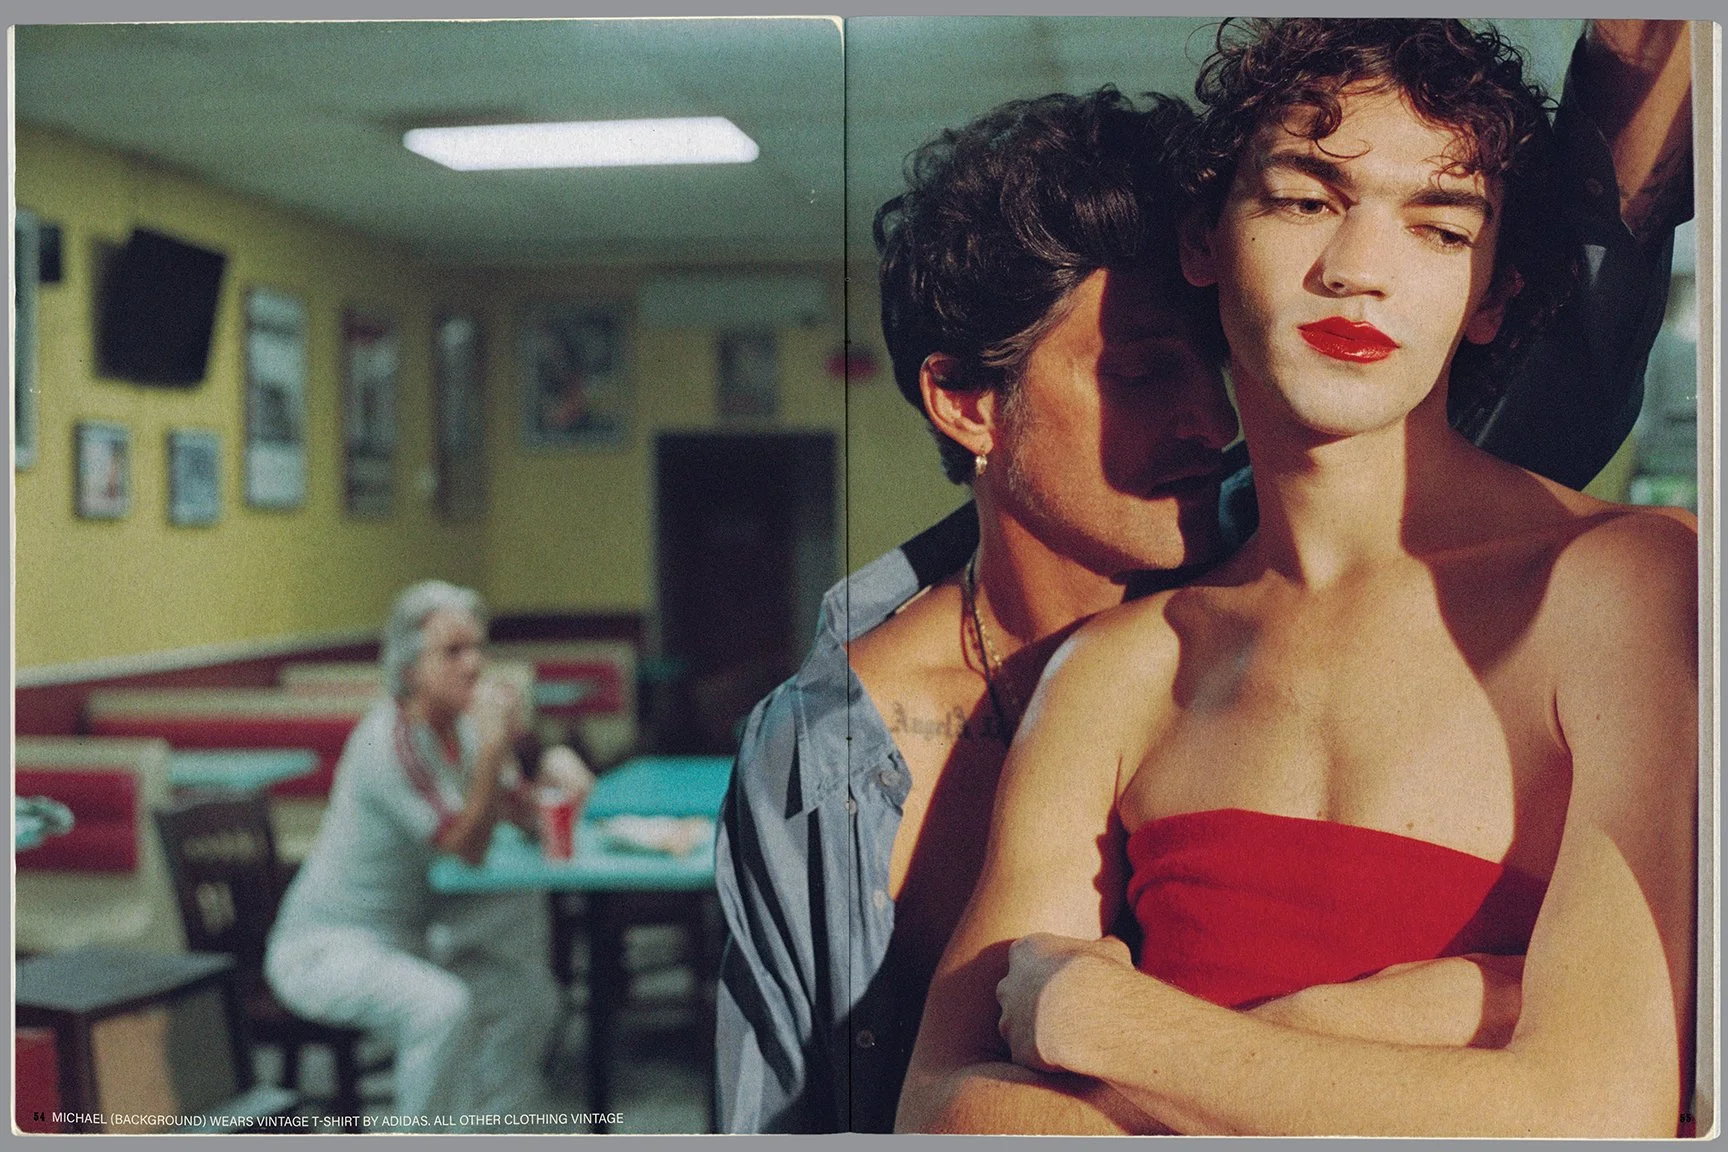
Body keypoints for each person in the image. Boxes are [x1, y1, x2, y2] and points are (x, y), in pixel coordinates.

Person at [715, 19, 1695, 1135]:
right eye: (1306, 200)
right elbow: (945, 1113)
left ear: (1492, 296)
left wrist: (1106, 1027)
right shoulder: (1114, 670)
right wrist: (1448, 1023)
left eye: (1438, 226)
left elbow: (1599, 1114)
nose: (1359, 270)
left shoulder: (1630, 584)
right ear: (1207, 240)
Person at [265, 580, 587, 1130]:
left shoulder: (461, 729)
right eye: (453, 652)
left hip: (408, 943)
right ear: (409, 668)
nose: (474, 666)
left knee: (528, 997)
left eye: (478, 649)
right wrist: (491, 748)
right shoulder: (388, 742)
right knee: (439, 1010)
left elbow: (520, 815)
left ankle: (495, 1128)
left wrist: (559, 776)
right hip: (325, 949)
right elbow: (466, 847)